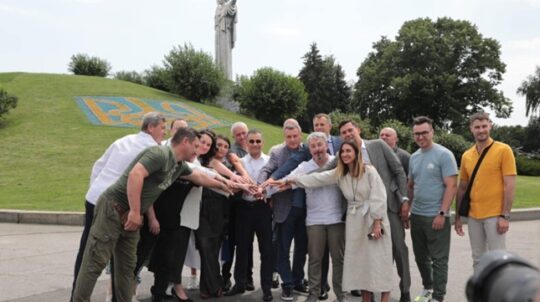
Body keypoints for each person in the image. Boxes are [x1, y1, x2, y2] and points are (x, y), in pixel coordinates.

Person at [72, 128, 232, 302]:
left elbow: (201, 177)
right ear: (185, 141)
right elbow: (136, 174)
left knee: (127, 267)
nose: (198, 149)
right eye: (195, 145)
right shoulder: (160, 153)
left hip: (132, 216)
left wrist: (225, 186)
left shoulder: (178, 165)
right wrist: (134, 210)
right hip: (114, 209)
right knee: (94, 263)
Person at [70, 112, 166, 301]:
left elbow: (98, 166)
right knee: (114, 257)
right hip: (116, 204)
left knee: (86, 251)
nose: (164, 132)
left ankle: (77, 294)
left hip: (95, 198)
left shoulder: (124, 140)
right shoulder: (154, 150)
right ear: (150, 127)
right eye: (162, 128)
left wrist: (95, 192)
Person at [286, 140, 393, 302]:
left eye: (349, 151)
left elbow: (379, 195)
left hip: (373, 219)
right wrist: (290, 181)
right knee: (360, 261)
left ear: (356, 153)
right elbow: (317, 179)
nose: (345, 154)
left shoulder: (369, 171)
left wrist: (377, 221)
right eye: (342, 152)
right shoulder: (340, 174)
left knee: (378, 259)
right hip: (355, 221)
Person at [335, 120, 410, 301]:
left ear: (358, 129)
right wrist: (289, 180)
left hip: (389, 206)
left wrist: (404, 199)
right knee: (366, 252)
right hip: (361, 211)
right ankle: (368, 292)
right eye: (343, 132)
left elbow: (399, 170)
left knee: (398, 248)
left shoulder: (377, 145)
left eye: (350, 130)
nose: (347, 134)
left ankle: (405, 289)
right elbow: (327, 171)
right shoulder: (345, 154)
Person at [276, 132, 346, 302]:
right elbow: (287, 180)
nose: (317, 150)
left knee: (338, 260)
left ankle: (340, 295)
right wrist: (265, 189)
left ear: (326, 145)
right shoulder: (305, 166)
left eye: (319, 145)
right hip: (314, 220)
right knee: (314, 259)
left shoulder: (337, 162)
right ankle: (313, 294)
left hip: (336, 218)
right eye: (313, 147)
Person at [403, 116, 458, 302]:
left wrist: (442, 213)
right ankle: (428, 288)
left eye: (424, 132)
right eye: (417, 134)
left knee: (439, 260)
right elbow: (410, 185)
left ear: (432, 132)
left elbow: (451, 186)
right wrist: (407, 209)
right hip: (417, 215)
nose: (420, 137)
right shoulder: (414, 157)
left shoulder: (444, 155)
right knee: (420, 258)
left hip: (436, 215)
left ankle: (438, 296)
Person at [454, 112, 517, 271]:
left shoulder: (504, 150)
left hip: (495, 215)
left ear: (490, 126)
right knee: (477, 258)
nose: (481, 130)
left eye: (484, 126)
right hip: (474, 216)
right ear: (471, 129)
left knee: (498, 259)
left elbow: (509, 185)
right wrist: (457, 217)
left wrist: (505, 215)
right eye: (477, 127)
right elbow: (462, 187)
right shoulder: (467, 155)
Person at [259, 119, 308, 301]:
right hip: (284, 208)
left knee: (301, 249)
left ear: (300, 134)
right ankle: (287, 284)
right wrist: (262, 185)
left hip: (306, 209)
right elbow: (267, 169)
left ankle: (297, 280)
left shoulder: (308, 151)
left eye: (295, 136)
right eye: (289, 137)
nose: (293, 140)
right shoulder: (277, 152)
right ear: (284, 136)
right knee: (283, 248)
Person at [225, 129, 274, 302]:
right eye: (251, 141)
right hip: (244, 208)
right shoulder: (240, 162)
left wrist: (265, 192)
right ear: (246, 142)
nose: (254, 144)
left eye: (258, 141)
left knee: (266, 250)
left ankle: (266, 287)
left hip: (263, 209)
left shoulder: (269, 160)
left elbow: (274, 184)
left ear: (262, 142)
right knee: (242, 248)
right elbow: (233, 185)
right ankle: (239, 283)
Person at [215, 0, 237, 80]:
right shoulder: (218, 8)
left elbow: (233, 3)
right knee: (218, 55)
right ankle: (218, 76)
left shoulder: (227, 6)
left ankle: (226, 78)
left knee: (225, 54)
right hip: (218, 34)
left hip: (225, 33)